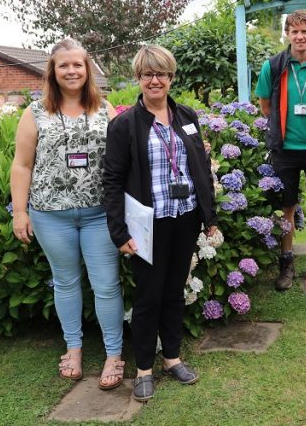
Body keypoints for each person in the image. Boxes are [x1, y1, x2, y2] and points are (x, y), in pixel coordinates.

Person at [103, 44, 218, 402]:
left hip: (183, 220)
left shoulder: (186, 116)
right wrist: (119, 232)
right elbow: (112, 180)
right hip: (146, 226)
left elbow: (198, 166)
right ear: (138, 78)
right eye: (148, 74)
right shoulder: (124, 125)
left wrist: (208, 216)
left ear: (171, 78)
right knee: (149, 297)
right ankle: (143, 370)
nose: (155, 80)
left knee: (173, 292)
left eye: (162, 74)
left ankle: (172, 358)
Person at [10, 38, 125, 390]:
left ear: (87, 69)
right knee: (66, 282)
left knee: (106, 285)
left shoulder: (105, 110)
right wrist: (19, 212)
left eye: (78, 64)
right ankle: (73, 349)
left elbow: (122, 163)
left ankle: (114, 355)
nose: (71, 70)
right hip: (50, 214)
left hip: (98, 214)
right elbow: (22, 164)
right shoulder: (35, 112)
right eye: (64, 65)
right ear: (53, 71)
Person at [256, 9, 306, 290]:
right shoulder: (274, 66)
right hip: (285, 150)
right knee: (286, 208)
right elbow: (265, 106)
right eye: (294, 31)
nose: (300, 36)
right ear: (287, 35)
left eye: (305, 31)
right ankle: (287, 262)